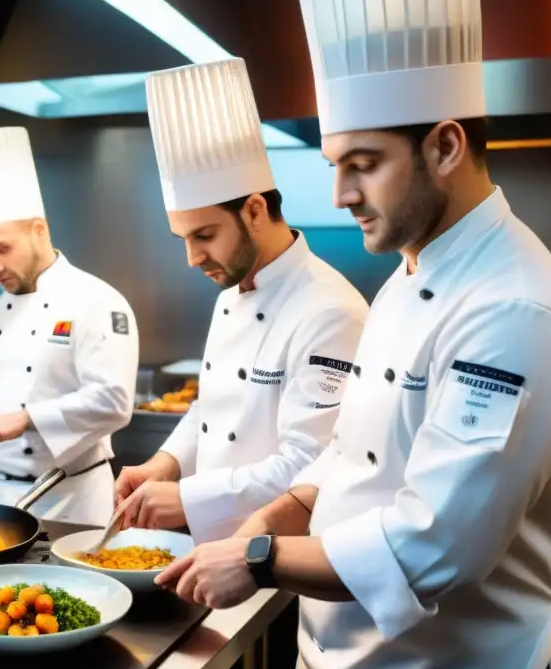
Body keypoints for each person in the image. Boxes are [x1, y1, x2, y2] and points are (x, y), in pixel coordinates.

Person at [156, 0, 551, 669]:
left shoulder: (517, 310)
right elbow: (353, 448)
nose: (339, 196)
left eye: (362, 166)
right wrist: (277, 514)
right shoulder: (406, 277)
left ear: (445, 146)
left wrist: (258, 558)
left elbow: (432, 547)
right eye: (336, 165)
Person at [114, 58, 368, 543]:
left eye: (204, 235)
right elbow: (210, 407)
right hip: (213, 545)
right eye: (182, 238)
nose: (192, 258)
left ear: (254, 210)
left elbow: (309, 464)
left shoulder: (330, 311)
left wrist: (187, 498)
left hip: (279, 554)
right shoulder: (230, 295)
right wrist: (164, 465)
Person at [0, 126, 139, 527]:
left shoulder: (96, 301)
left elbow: (113, 401)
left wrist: (25, 418)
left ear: (39, 230)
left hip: (72, 498)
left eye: (2, 248)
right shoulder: (1, 306)